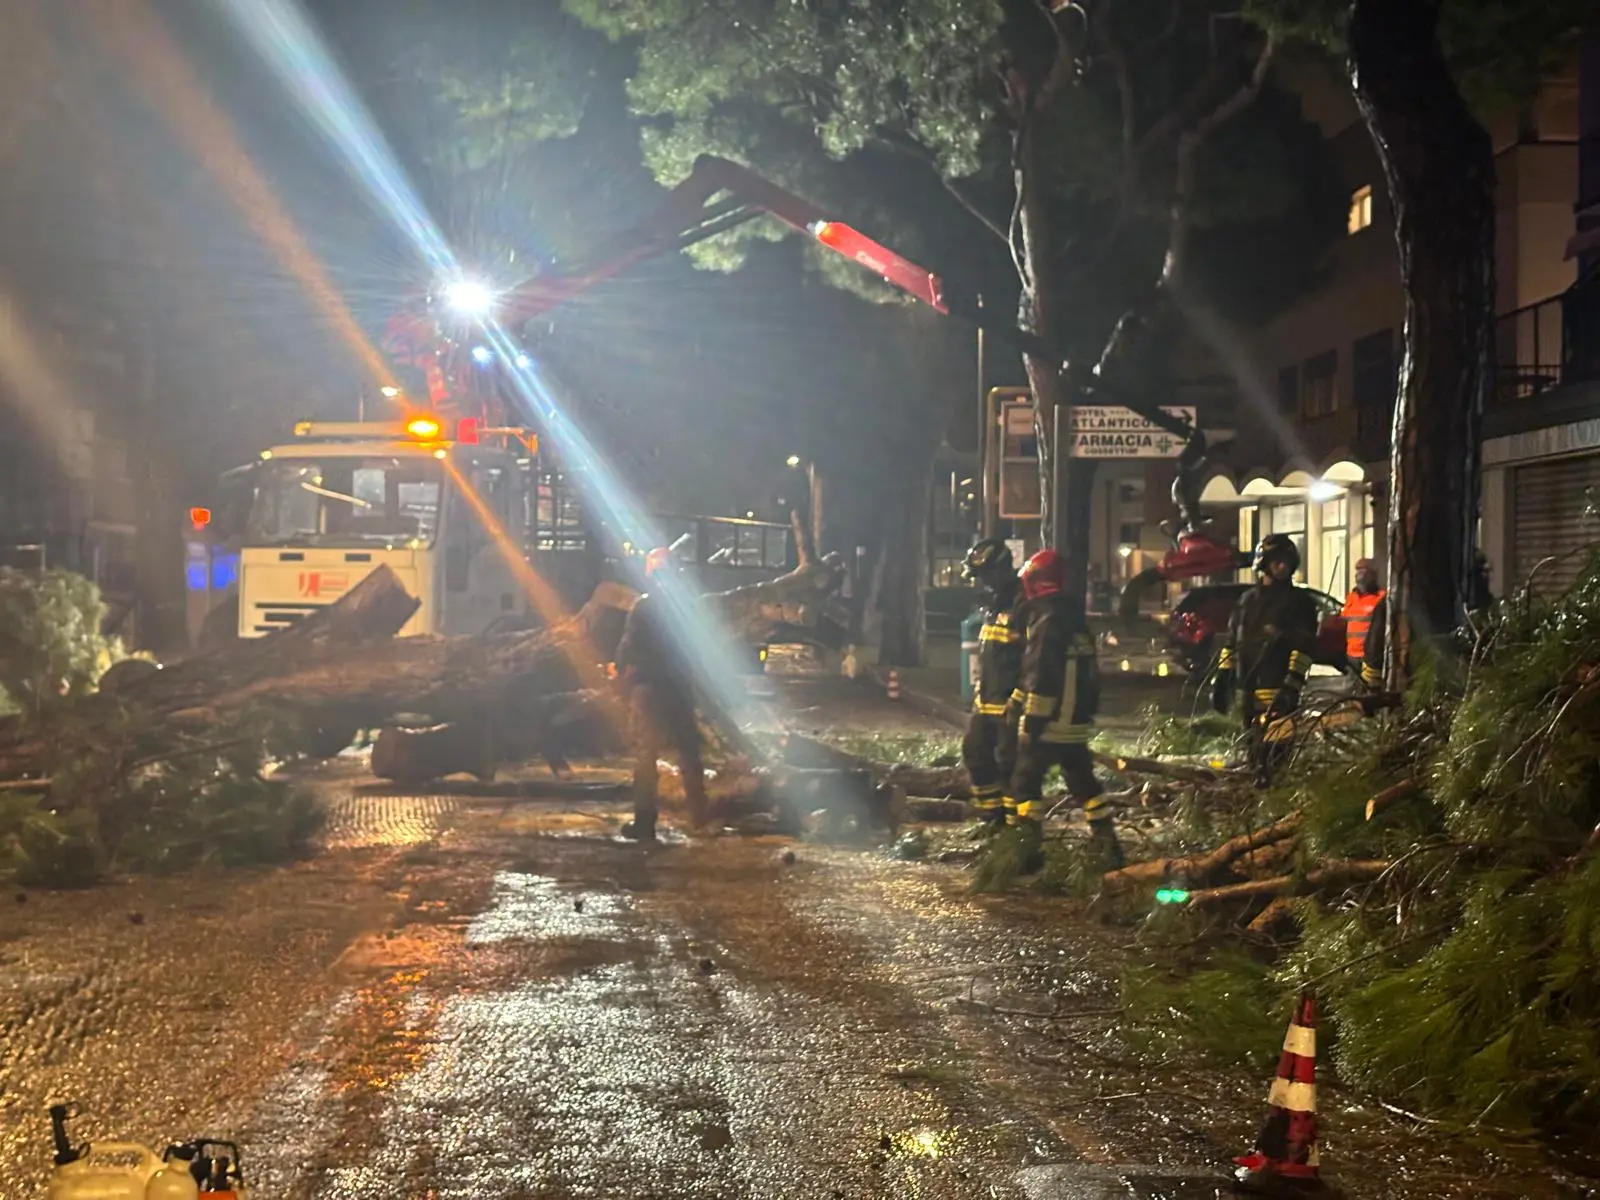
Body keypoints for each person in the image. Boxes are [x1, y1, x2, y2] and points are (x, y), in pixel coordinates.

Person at [1007, 548, 1123, 868]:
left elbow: (1040, 673)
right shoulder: (1077, 620)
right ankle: (1107, 845)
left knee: (1025, 781)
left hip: (1051, 721)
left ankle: (1027, 853)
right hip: (1075, 722)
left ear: (1037, 583)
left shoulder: (1047, 620)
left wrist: (1031, 722)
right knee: (1084, 782)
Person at [613, 546, 709, 840]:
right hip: (678, 686)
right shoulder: (687, 607)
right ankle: (700, 816)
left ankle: (644, 822)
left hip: (649, 689)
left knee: (646, 754)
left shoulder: (644, 606)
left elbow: (628, 649)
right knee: (688, 750)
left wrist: (620, 676)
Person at [1212, 534, 1319, 786]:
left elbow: (1304, 647)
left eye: (1287, 562)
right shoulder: (1247, 601)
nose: (1283, 567)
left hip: (1276, 687)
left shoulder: (1299, 602)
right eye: (1277, 562)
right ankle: (1256, 798)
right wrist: (1223, 676)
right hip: (1247, 688)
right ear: (1264, 563)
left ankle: (1276, 802)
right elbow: (1232, 640)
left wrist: (1292, 683)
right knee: (1254, 751)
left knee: (1276, 755)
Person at [960, 539, 1025, 835]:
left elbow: (1034, 658)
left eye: (983, 576)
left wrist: (1021, 699)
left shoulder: (1022, 603)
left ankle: (1016, 834)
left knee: (1010, 768)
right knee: (974, 752)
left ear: (1000, 571)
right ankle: (993, 819)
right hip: (986, 703)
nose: (980, 584)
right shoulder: (993, 603)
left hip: (1011, 706)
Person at [1340, 558, 1385, 676]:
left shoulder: (1381, 598)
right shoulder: (1351, 598)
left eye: (1363, 570)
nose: (1358, 574)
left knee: (1371, 690)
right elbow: (1343, 621)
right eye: (1357, 570)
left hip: (1370, 657)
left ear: (1372, 575)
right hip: (1351, 656)